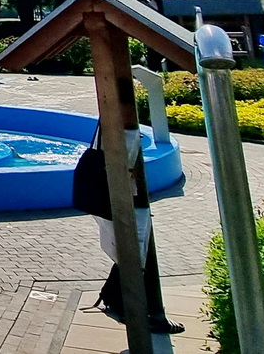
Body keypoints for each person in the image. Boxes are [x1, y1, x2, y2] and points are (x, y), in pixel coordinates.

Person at [71, 133, 182, 334]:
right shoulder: (122, 130)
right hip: (120, 196)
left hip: (110, 193)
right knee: (133, 252)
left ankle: (119, 299)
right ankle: (132, 308)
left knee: (129, 251)